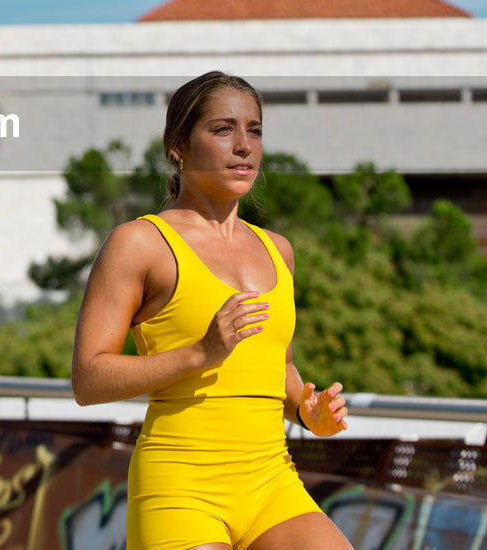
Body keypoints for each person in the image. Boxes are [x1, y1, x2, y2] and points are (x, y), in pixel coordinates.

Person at [71, 71, 353, 550]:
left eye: (255, 130)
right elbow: (88, 379)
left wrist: (307, 410)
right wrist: (199, 353)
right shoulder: (141, 243)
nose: (244, 145)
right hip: (181, 485)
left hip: (272, 482)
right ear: (179, 146)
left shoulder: (278, 249)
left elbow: (275, 365)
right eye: (223, 130)